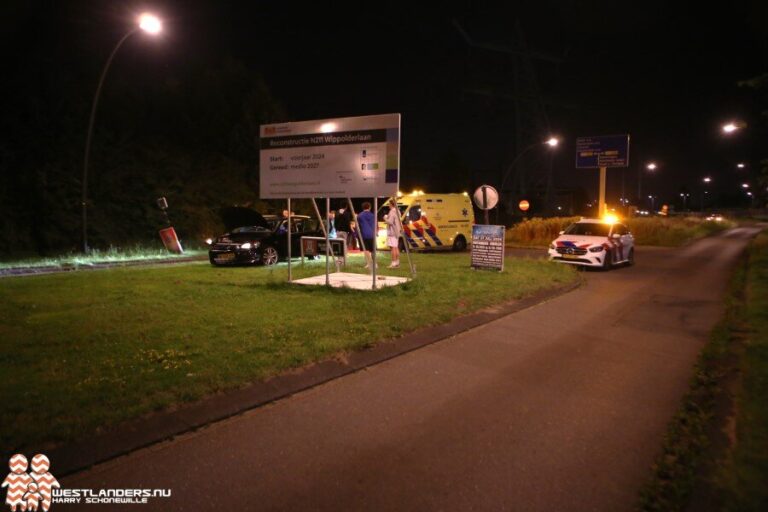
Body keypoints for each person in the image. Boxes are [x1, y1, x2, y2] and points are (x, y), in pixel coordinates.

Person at [357, 202, 376, 269]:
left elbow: (358, 226)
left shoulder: (359, 215)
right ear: (369, 207)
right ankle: (375, 263)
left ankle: (369, 263)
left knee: (366, 249)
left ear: (363, 208)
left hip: (364, 234)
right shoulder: (373, 215)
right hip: (372, 234)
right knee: (373, 249)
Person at [384, 199, 401, 268]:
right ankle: (397, 262)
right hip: (397, 231)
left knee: (393, 248)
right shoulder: (398, 211)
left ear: (391, 204)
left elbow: (390, 222)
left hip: (392, 231)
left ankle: (393, 263)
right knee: (396, 247)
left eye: (389, 204)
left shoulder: (392, 211)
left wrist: (385, 218)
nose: (388, 205)